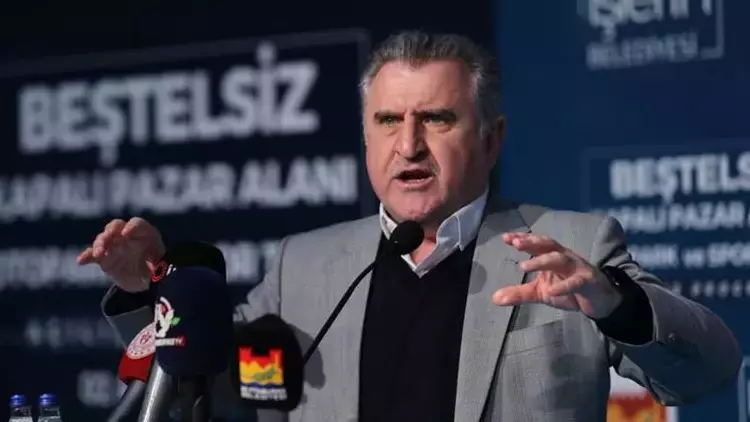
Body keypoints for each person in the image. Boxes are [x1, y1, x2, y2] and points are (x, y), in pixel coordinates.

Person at [78, 31, 741, 422]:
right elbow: (202, 384)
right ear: (367, 139)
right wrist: (149, 288)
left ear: (491, 139)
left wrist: (616, 304)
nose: (410, 145)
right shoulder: (302, 264)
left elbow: (707, 370)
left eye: (437, 119)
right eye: (389, 121)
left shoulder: (570, 248)